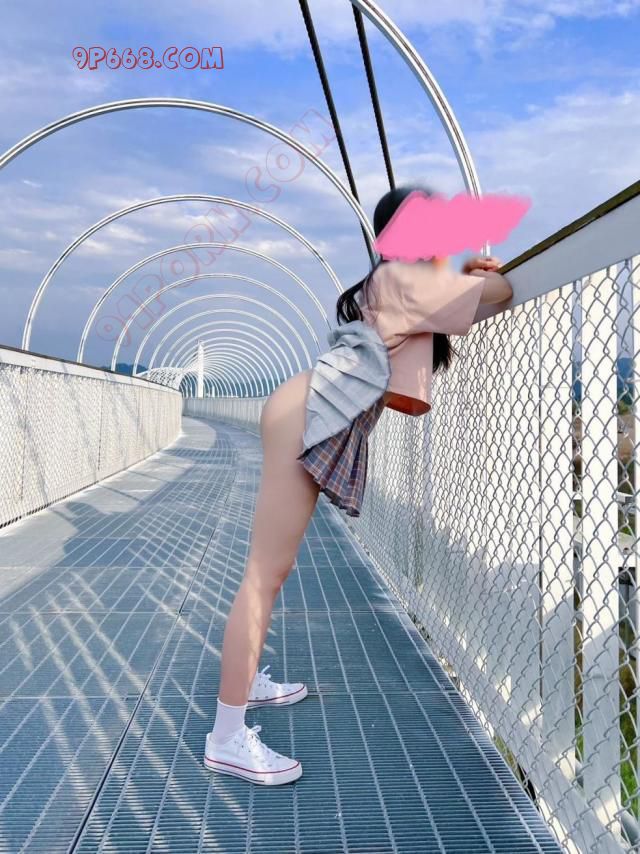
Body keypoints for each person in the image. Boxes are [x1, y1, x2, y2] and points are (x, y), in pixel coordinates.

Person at [202, 183, 514, 785]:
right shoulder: (401, 280)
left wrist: (463, 275)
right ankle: (225, 737)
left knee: (273, 572)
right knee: (264, 574)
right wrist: (476, 274)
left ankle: (247, 680)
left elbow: (472, 304)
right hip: (305, 414)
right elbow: (497, 294)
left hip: (307, 409)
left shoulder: (406, 285)